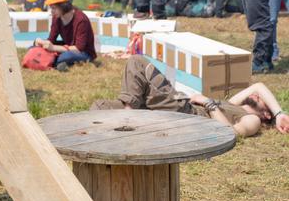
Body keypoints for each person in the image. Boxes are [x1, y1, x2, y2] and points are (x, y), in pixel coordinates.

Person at [91, 56, 289, 138]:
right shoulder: (234, 104)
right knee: (99, 107)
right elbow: (259, 86)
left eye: (263, 101)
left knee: (137, 62)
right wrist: (280, 113)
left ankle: (130, 115)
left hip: (188, 112)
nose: (256, 94)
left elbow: (229, 134)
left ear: (265, 114)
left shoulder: (251, 119)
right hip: (177, 106)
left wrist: (208, 103)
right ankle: (132, 115)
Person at [33, 0, 96, 70]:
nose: (51, 11)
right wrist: (41, 42)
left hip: (84, 52)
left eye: (54, 8)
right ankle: (59, 62)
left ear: (63, 6)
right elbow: (51, 39)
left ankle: (53, 61)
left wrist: (53, 48)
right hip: (68, 47)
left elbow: (79, 48)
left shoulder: (81, 20)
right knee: (33, 48)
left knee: (66, 56)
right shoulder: (57, 18)